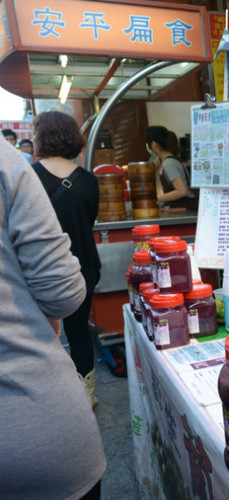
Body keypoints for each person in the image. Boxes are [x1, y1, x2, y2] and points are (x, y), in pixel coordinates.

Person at [0, 137, 106, 499]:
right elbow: (60, 292)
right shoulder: (11, 165)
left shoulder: (31, 169)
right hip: (28, 427)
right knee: (79, 332)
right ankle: (88, 387)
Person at [30, 111, 102, 407]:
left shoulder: (28, 177)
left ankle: (49, 399)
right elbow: (89, 222)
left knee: (41, 337)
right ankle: (87, 396)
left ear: (41, 138)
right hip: (83, 266)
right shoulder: (88, 181)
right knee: (78, 331)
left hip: (38, 269)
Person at [146, 125, 197, 210]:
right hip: (181, 208)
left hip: (187, 208)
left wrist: (157, 199)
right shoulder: (164, 160)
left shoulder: (169, 163)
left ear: (154, 144)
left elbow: (182, 191)